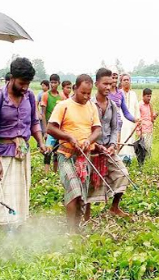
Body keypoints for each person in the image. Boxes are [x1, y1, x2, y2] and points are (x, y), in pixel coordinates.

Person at [0, 57, 47, 229]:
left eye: (28, 83)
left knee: (21, 194)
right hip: (3, 154)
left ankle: (19, 230)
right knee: (6, 194)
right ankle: (8, 233)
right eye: (21, 83)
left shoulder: (29, 96)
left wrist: (41, 143)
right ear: (11, 78)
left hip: (23, 152)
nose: (25, 87)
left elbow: (34, 122)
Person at [47, 74, 102, 231]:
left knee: (82, 196)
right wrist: (69, 137)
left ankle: (77, 228)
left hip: (84, 157)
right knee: (74, 192)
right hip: (66, 155)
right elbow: (50, 128)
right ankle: (71, 231)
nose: (86, 96)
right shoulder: (63, 106)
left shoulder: (91, 107)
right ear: (75, 88)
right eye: (82, 92)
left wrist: (88, 140)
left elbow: (97, 129)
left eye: (88, 93)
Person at [84, 68, 129, 220]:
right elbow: (85, 129)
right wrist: (95, 144)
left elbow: (115, 128)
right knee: (89, 182)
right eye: (105, 84)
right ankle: (86, 214)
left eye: (111, 84)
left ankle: (115, 207)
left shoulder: (113, 106)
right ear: (96, 83)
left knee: (123, 174)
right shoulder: (89, 105)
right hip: (92, 150)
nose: (108, 87)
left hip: (108, 149)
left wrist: (112, 145)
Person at [107, 68, 139, 165]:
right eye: (113, 76)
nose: (115, 79)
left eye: (116, 77)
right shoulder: (105, 92)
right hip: (106, 126)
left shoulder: (119, 93)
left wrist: (135, 120)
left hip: (117, 127)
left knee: (114, 150)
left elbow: (126, 112)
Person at [41, 74, 67, 173]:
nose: (53, 84)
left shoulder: (62, 97)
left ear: (58, 83)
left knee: (57, 152)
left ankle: (55, 173)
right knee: (48, 152)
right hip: (49, 127)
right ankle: (46, 174)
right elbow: (43, 114)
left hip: (59, 129)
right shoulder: (46, 95)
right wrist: (45, 130)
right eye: (51, 82)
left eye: (55, 82)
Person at [118, 73, 141, 163]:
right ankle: (120, 159)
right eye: (124, 80)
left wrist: (138, 120)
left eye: (128, 80)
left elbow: (136, 108)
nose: (126, 81)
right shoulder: (118, 93)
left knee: (130, 140)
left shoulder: (133, 94)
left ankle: (129, 159)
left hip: (131, 122)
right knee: (121, 139)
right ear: (121, 82)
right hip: (121, 123)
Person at [137, 88, 158, 166]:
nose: (149, 98)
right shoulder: (139, 105)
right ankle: (142, 163)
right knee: (143, 148)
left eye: (150, 96)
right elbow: (137, 118)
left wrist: (154, 116)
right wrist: (138, 131)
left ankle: (148, 163)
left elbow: (151, 118)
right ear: (143, 96)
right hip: (143, 130)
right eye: (147, 96)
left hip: (149, 129)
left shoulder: (150, 105)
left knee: (149, 147)